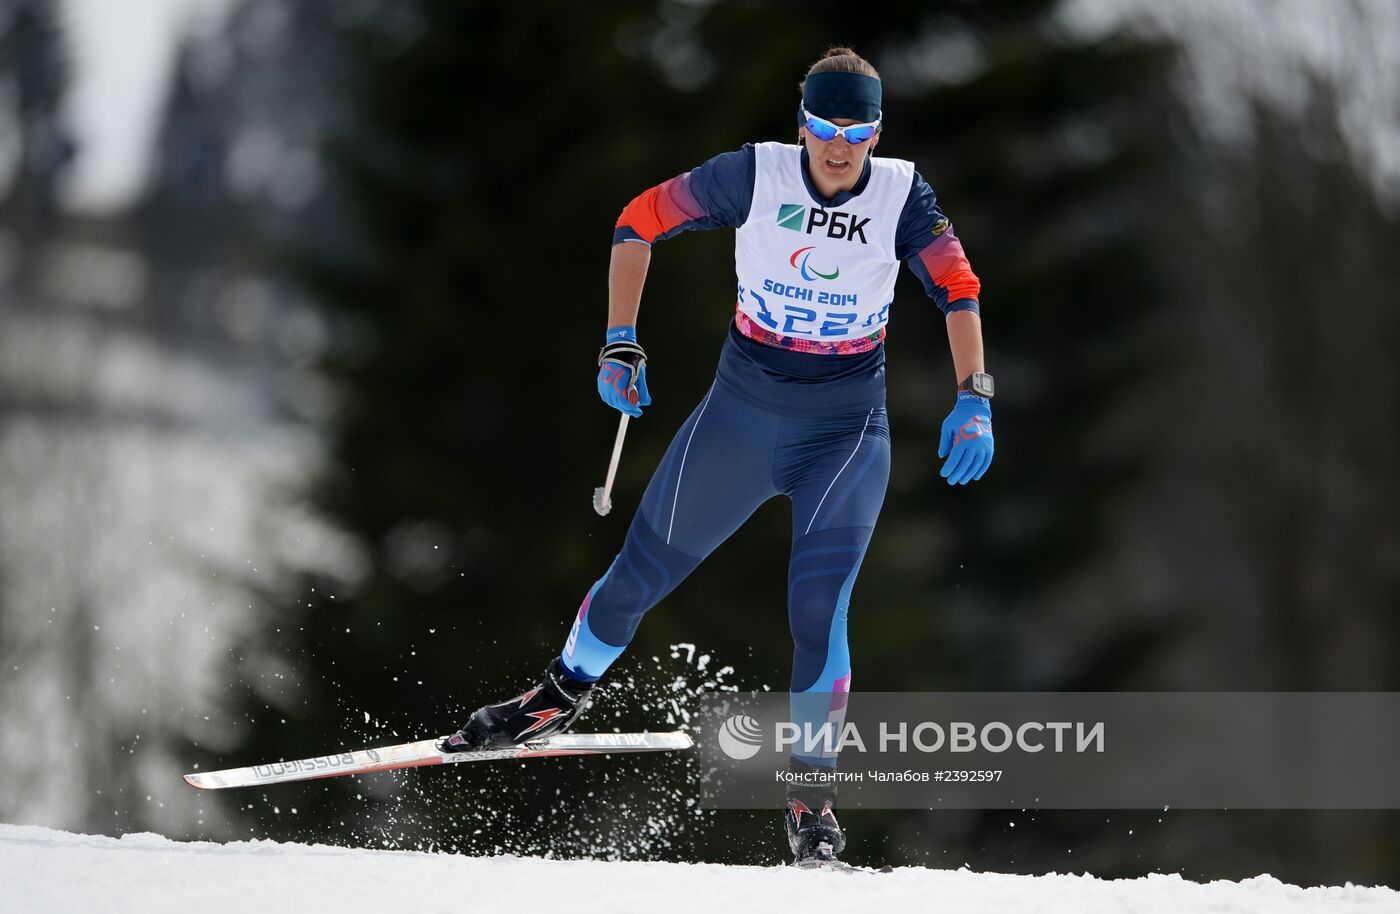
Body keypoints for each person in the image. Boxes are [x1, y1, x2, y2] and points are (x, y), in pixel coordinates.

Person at [441, 47, 994, 865]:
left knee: (819, 608)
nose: (839, 149)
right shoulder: (753, 176)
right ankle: (551, 700)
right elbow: (637, 220)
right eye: (823, 127)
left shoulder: (902, 194)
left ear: (878, 132)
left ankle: (811, 801)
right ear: (801, 123)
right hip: (739, 419)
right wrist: (619, 345)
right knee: (636, 575)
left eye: (858, 131)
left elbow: (958, 286)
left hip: (844, 434)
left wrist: (975, 396)